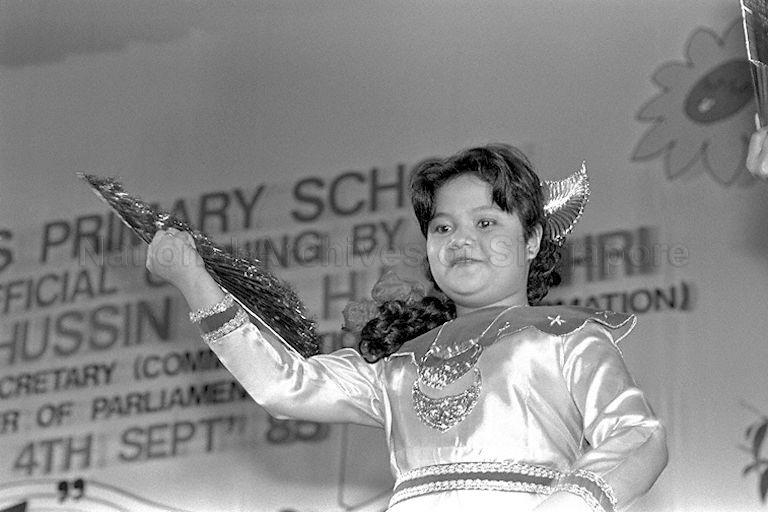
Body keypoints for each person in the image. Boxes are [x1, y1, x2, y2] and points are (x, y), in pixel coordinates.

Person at [146, 144, 667, 512]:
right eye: (444, 227)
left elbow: (639, 436)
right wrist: (193, 280)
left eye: (486, 223)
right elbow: (287, 385)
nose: (461, 239)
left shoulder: (566, 337)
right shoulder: (399, 364)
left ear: (531, 241)